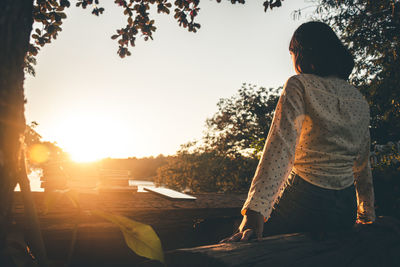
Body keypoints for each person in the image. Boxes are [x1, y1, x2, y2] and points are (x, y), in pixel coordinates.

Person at [222, 21, 376, 242]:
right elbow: (362, 163)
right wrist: (366, 213)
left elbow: (280, 148)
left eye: (292, 53)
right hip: (344, 207)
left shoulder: (299, 85)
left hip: (305, 199)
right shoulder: (359, 99)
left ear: (302, 54)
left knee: (247, 246)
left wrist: (255, 211)